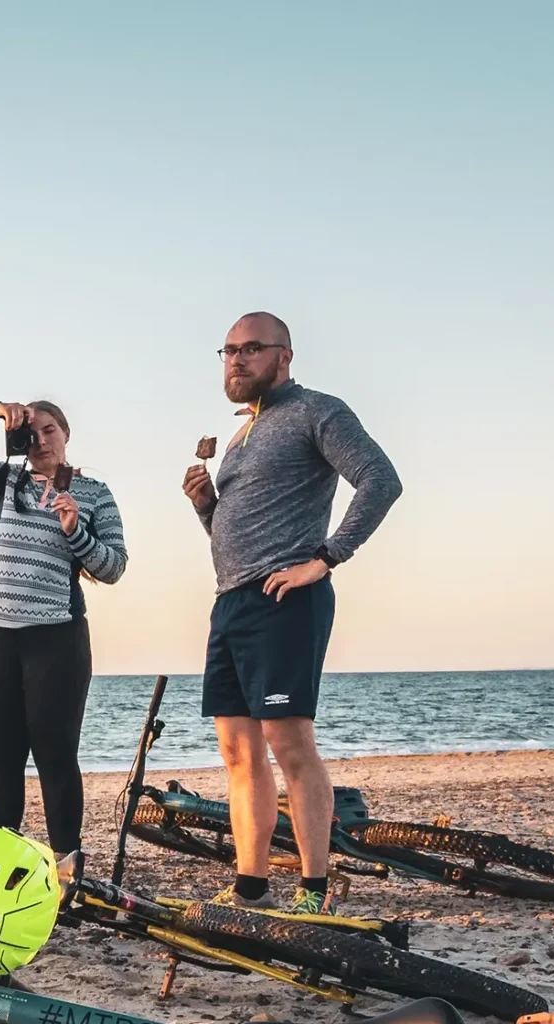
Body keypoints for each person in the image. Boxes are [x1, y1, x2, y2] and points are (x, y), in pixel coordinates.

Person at [181, 313, 403, 914]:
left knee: (290, 744)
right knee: (237, 751)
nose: (237, 359)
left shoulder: (316, 411)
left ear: (285, 356)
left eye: (252, 348)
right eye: (228, 350)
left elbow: (381, 480)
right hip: (231, 602)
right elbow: (235, 528)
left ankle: (313, 889)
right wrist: (208, 506)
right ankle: (251, 885)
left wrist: (326, 558)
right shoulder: (239, 435)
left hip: (286, 600)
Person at [0, 399, 127, 876]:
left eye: (48, 431)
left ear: (65, 434)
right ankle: (1, 863)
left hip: (56, 639)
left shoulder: (94, 492)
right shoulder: (8, 480)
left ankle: (67, 865)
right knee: (1, 757)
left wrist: (75, 530)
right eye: (29, 433)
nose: (39, 441)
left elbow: (115, 566)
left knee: (55, 753)